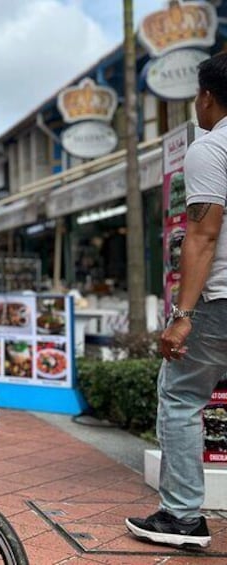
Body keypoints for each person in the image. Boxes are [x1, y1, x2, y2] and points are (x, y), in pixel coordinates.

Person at [126, 53, 227, 549]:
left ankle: (183, 517)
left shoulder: (211, 147)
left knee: (182, 396)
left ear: (206, 97)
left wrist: (182, 316)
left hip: (222, 300)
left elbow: (203, 236)